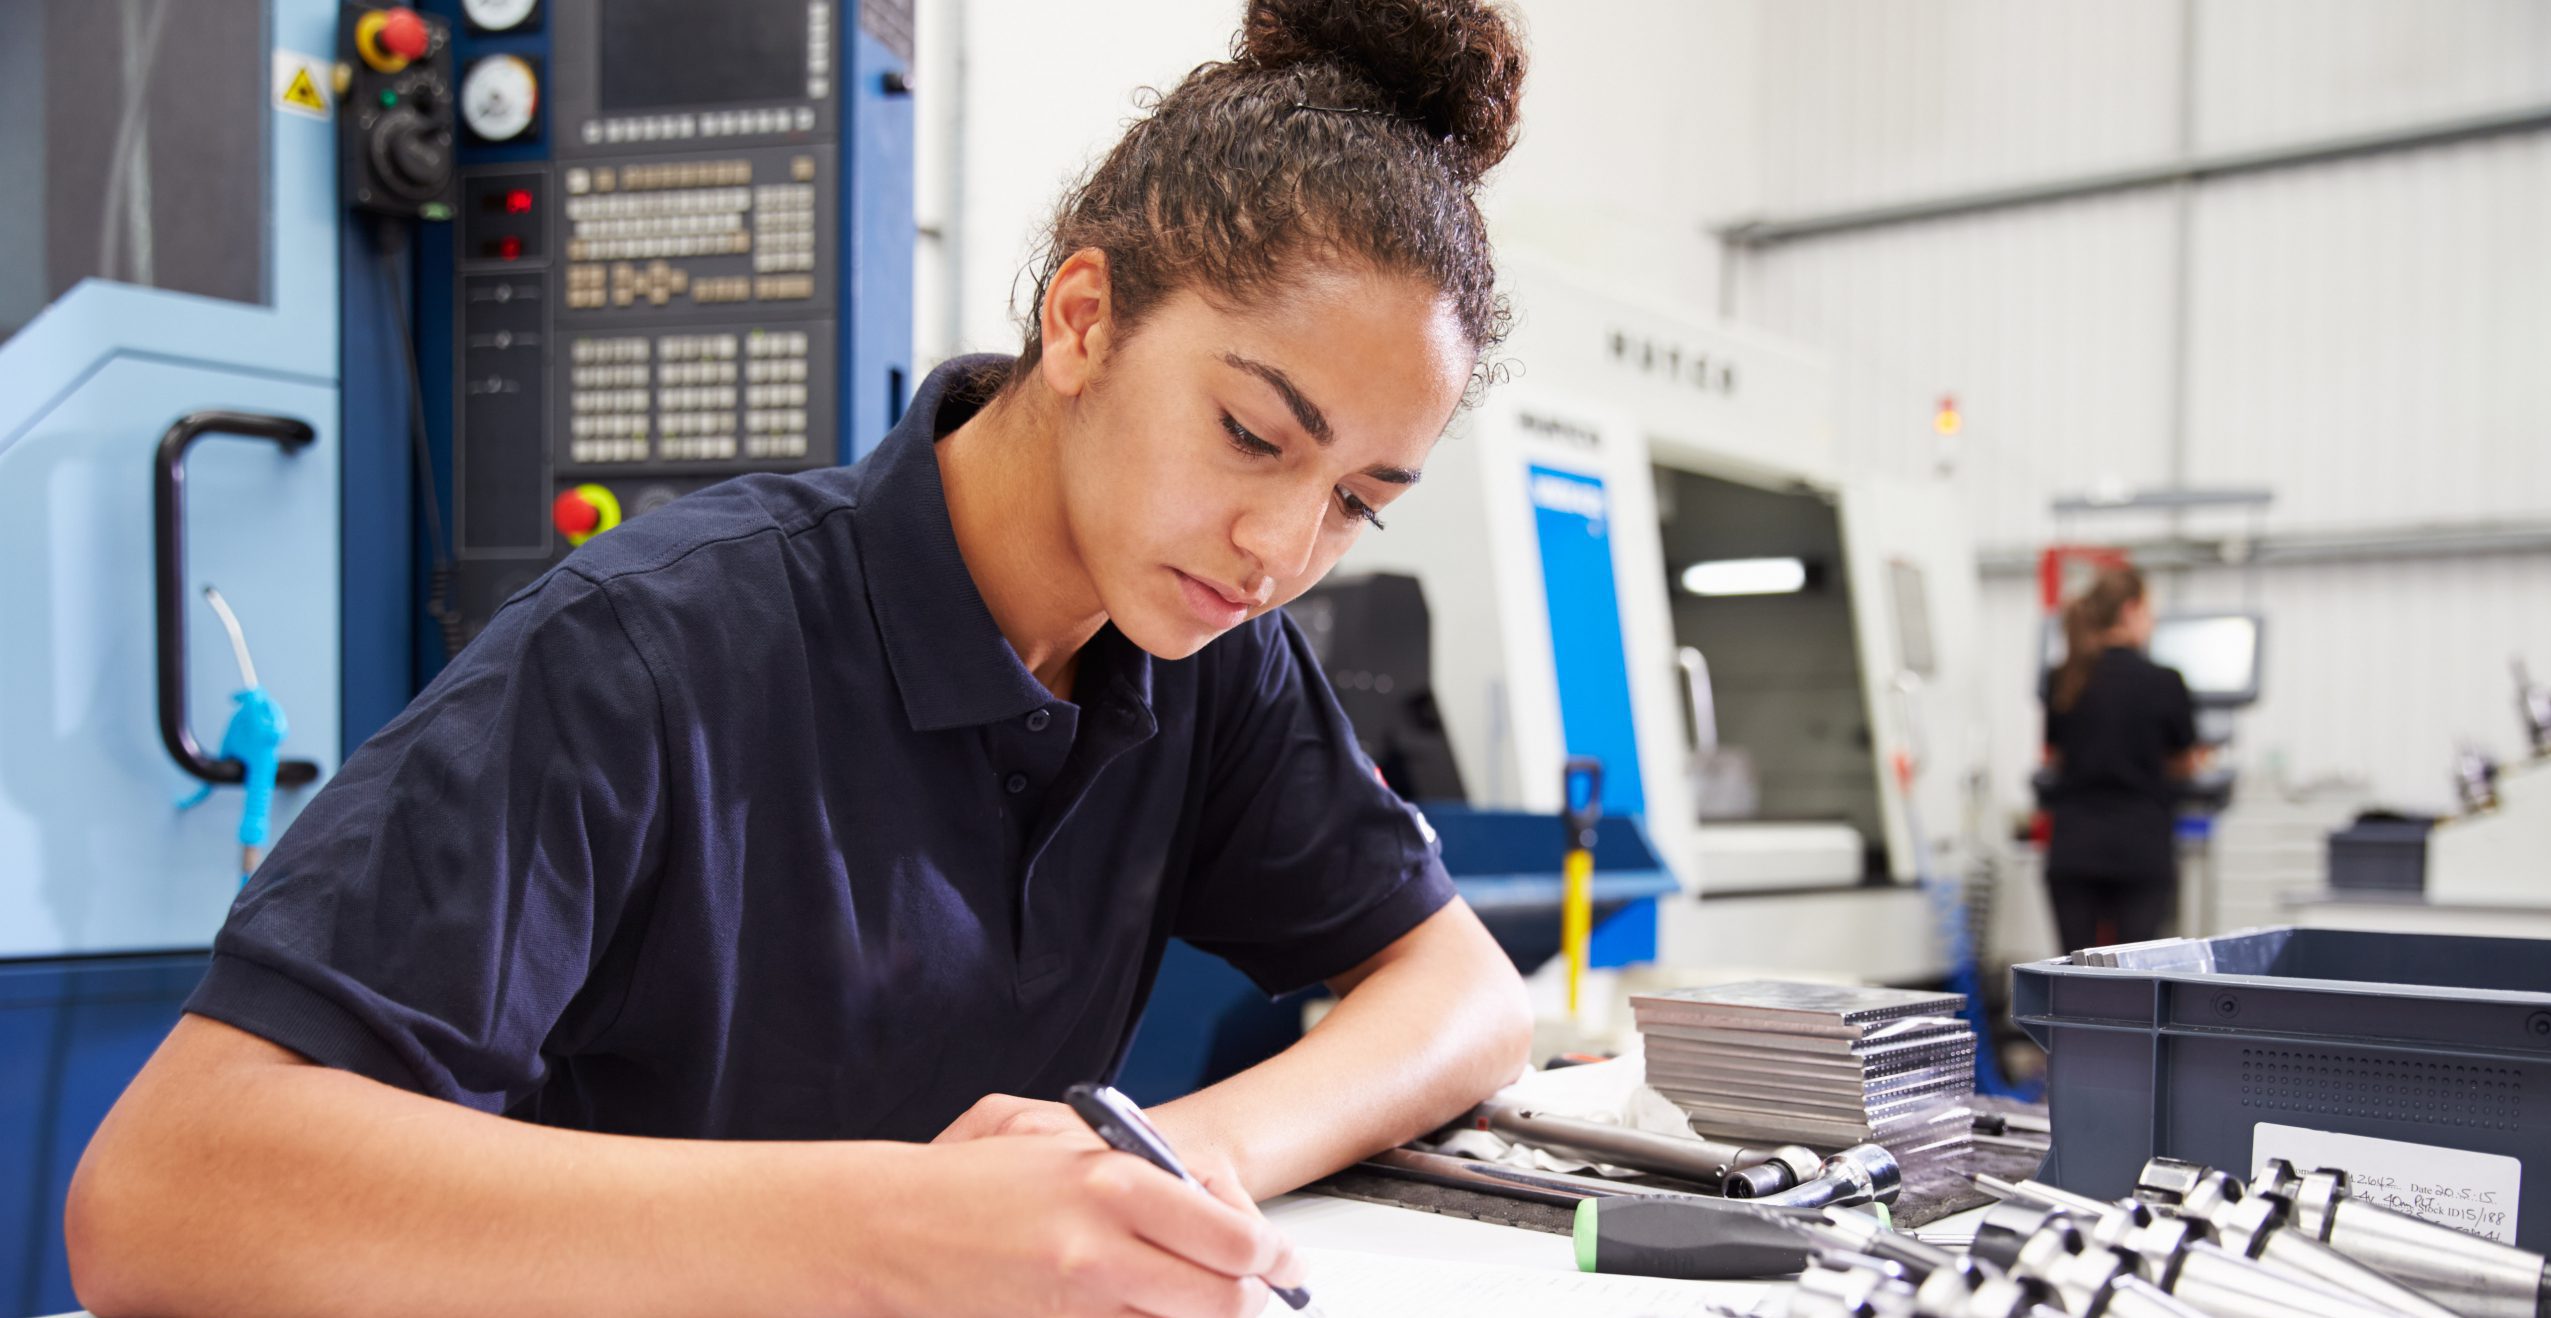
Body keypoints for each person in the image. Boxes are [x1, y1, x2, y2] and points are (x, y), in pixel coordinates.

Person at [66, 2, 1535, 1313]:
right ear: (1082, 319)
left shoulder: (1205, 651)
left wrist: (1178, 1151)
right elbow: (161, 1193)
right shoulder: (652, 648)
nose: (1280, 546)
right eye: (1252, 435)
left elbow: (1462, 990)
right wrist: (903, 1225)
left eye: (1355, 503)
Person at [2040, 566, 2205, 953]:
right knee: (2132, 977)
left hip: (2073, 848)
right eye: (2150, 612)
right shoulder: (2164, 681)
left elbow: (2056, 757)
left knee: (2073, 974)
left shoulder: (2063, 677)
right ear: (2131, 611)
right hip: (2139, 848)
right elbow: (2184, 762)